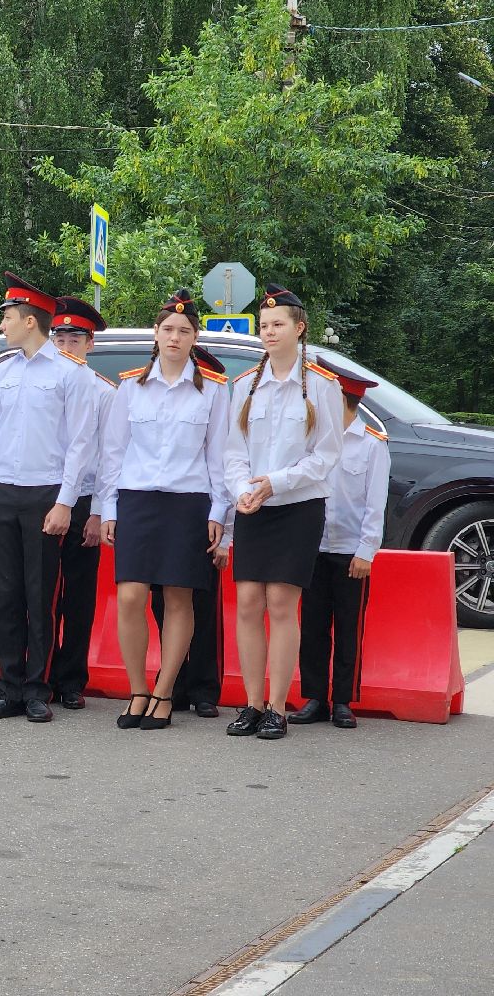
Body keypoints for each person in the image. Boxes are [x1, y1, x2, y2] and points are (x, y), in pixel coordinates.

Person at [99, 289, 231, 730]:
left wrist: (219, 513)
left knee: (178, 598)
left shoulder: (211, 391)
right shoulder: (131, 386)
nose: (175, 337)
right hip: (137, 499)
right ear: (156, 334)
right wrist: (109, 508)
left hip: (188, 503)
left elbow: (219, 458)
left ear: (195, 338)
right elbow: (113, 452)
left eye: (185, 331)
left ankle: (164, 690)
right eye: (168, 330)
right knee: (132, 596)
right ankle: (137, 689)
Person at [0, 274, 96, 723]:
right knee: (5, 593)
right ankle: (10, 688)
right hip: (4, 493)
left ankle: (38, 688)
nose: (2, 323)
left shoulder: (70, 373)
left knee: (40, 594)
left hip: (46, 494)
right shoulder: (2, 372)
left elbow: (80, 444)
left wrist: (65, 503)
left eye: (7, 316)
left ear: (29, 320)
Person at [225, 284, 343, 740]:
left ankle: (277, 706)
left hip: (297, 505)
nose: (269, 332)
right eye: (264, 326)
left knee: (281, 603)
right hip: (254, 505)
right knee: (249, 602)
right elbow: (232, 452)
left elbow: (326, 456)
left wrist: (276, 482)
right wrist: (243, 489)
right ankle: (252, 703)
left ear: (299, 328)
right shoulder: (244, 387)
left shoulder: (322, 387)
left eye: (278, 325)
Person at [289, 358, 390, 730]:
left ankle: (343, 701)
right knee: (312, 626)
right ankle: (314, 697)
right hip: (313, 548)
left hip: (350, 551)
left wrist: (367, 550)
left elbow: (375, 503)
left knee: (348, 627)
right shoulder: (311, 440)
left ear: (344, 401)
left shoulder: (372, 445)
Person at [154, 344, 232, 719]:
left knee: (200, 603)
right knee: (161, 602)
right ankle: (174, 683)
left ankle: (203, 687)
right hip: (157, 508)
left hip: (197, 510)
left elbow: (221, 465)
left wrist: (223, 524)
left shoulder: (214, 400)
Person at [47, 296, 116, 710]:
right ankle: (35, 671)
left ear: (90, 345)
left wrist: (96, 513)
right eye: (60, 337)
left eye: (75, 339)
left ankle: (70, 679)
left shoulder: (103, 393)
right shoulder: (43, 382)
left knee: (77, 597)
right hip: (42, 497)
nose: (66, 346)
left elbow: (109, 460)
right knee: (38, 595)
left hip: (83, 502)